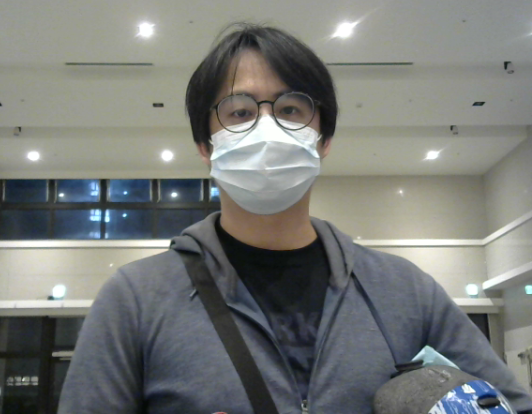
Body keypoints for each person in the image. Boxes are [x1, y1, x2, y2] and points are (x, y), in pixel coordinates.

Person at [58, 24, 532, 413]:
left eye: (290, 109)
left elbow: (509, 405)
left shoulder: (405, 292)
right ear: (205, 146)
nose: (267, 128)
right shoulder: (136, 300)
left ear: (323, 140)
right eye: (239, 112)